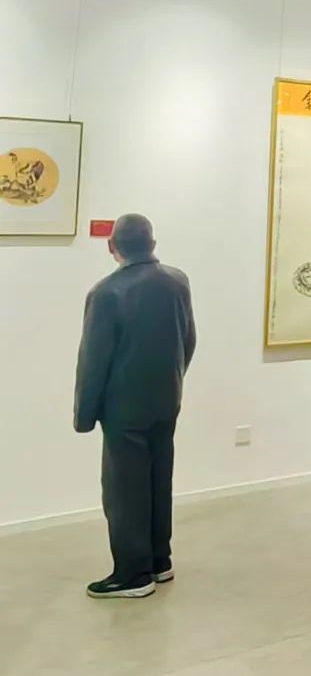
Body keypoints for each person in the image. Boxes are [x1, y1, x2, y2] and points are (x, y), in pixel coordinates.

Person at [73, 214, 196, 599]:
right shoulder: (178, 282)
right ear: (152, 244)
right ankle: (160, 561)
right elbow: (188, 339)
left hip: (124, 408)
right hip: (166, 399)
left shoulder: (106, 293)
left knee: (124, 491)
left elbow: (94, 360)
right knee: (159, 480)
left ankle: (133, 573)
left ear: (113, 247)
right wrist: (173, 379)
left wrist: (84, 415)